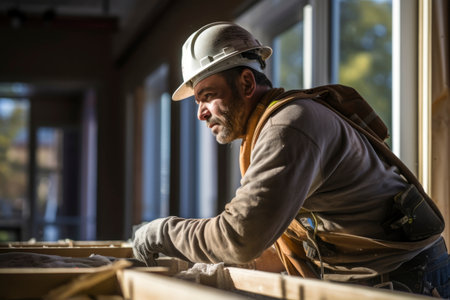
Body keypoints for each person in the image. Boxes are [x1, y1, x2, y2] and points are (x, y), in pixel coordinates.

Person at [133, 21, 449, 297]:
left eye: (207, 96)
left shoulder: (289, 125)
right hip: (381, 272)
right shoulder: (274, 123)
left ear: (245, 83)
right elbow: (264, 238)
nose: (200, 112)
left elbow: (240, 236)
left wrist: (161, 232)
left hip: (407, 278)